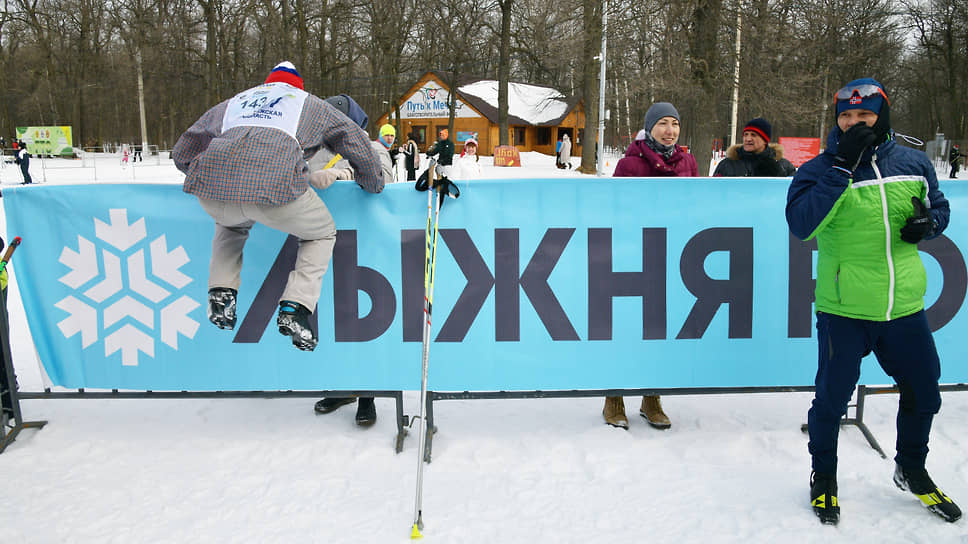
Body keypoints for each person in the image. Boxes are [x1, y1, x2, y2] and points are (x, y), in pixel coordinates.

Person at [786, 77, 960, 526]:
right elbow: (802, 225)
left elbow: (938, 207)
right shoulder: (817, 169)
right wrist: (842, 167)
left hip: (903, 306)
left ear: (881, 117)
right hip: (844, 308)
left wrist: (929, 224)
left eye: (863, 116)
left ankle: (912, 468)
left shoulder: (914, 162)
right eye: (846, 116)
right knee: (831, 399)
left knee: (924, 392)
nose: (853, 123)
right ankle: (823, 475)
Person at [172, 61, 384, 352]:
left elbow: (184, 148)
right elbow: (356, 141)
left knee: (229, 224)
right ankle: (295, 307)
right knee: (320, 233)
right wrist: (372, 181)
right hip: (276, 188)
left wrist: (201, 174)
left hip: (215, 193)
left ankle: (221, 293)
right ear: (297, 88)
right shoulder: (308, 104)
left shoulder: (235, 102)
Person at [607, 102, 698, 430]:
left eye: (674, 123)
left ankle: (652, 397)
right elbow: (613, 209)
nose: (670, 130)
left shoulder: (687, 161)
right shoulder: (629, 163)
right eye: (662, 123)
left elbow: (696, 207)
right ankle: (613, 398)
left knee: (660, 330)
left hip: (673, 257)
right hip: (634, 257)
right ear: (649, 127)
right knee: (627, 327)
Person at [713, 117, 796, 177]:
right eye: (746, 135)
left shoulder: (783, 166)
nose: (748, 139)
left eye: (754, 135)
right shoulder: (727, 164)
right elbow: (714, 191)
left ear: (765, 140)